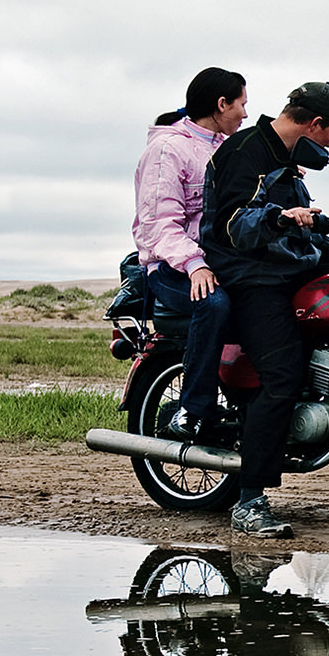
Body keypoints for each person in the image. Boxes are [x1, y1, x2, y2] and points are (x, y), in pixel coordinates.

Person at [198, 81, 329, 539]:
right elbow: (235, 224)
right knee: (282, 373)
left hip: (286, 271)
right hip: (251, 277)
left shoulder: (288, 166)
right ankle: (250, 500)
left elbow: (307, 237)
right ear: (314, 123)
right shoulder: (245, 151)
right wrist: (280, 217)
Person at [133, 67, 246, 436]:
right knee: (214, 304)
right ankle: (192, 410)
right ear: (220, 104)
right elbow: (159, 224)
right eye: (241, 105)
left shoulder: (231, 149)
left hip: (220, 262)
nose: (244, 114)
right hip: (171, 267)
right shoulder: (168, 149)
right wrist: (194, 264)